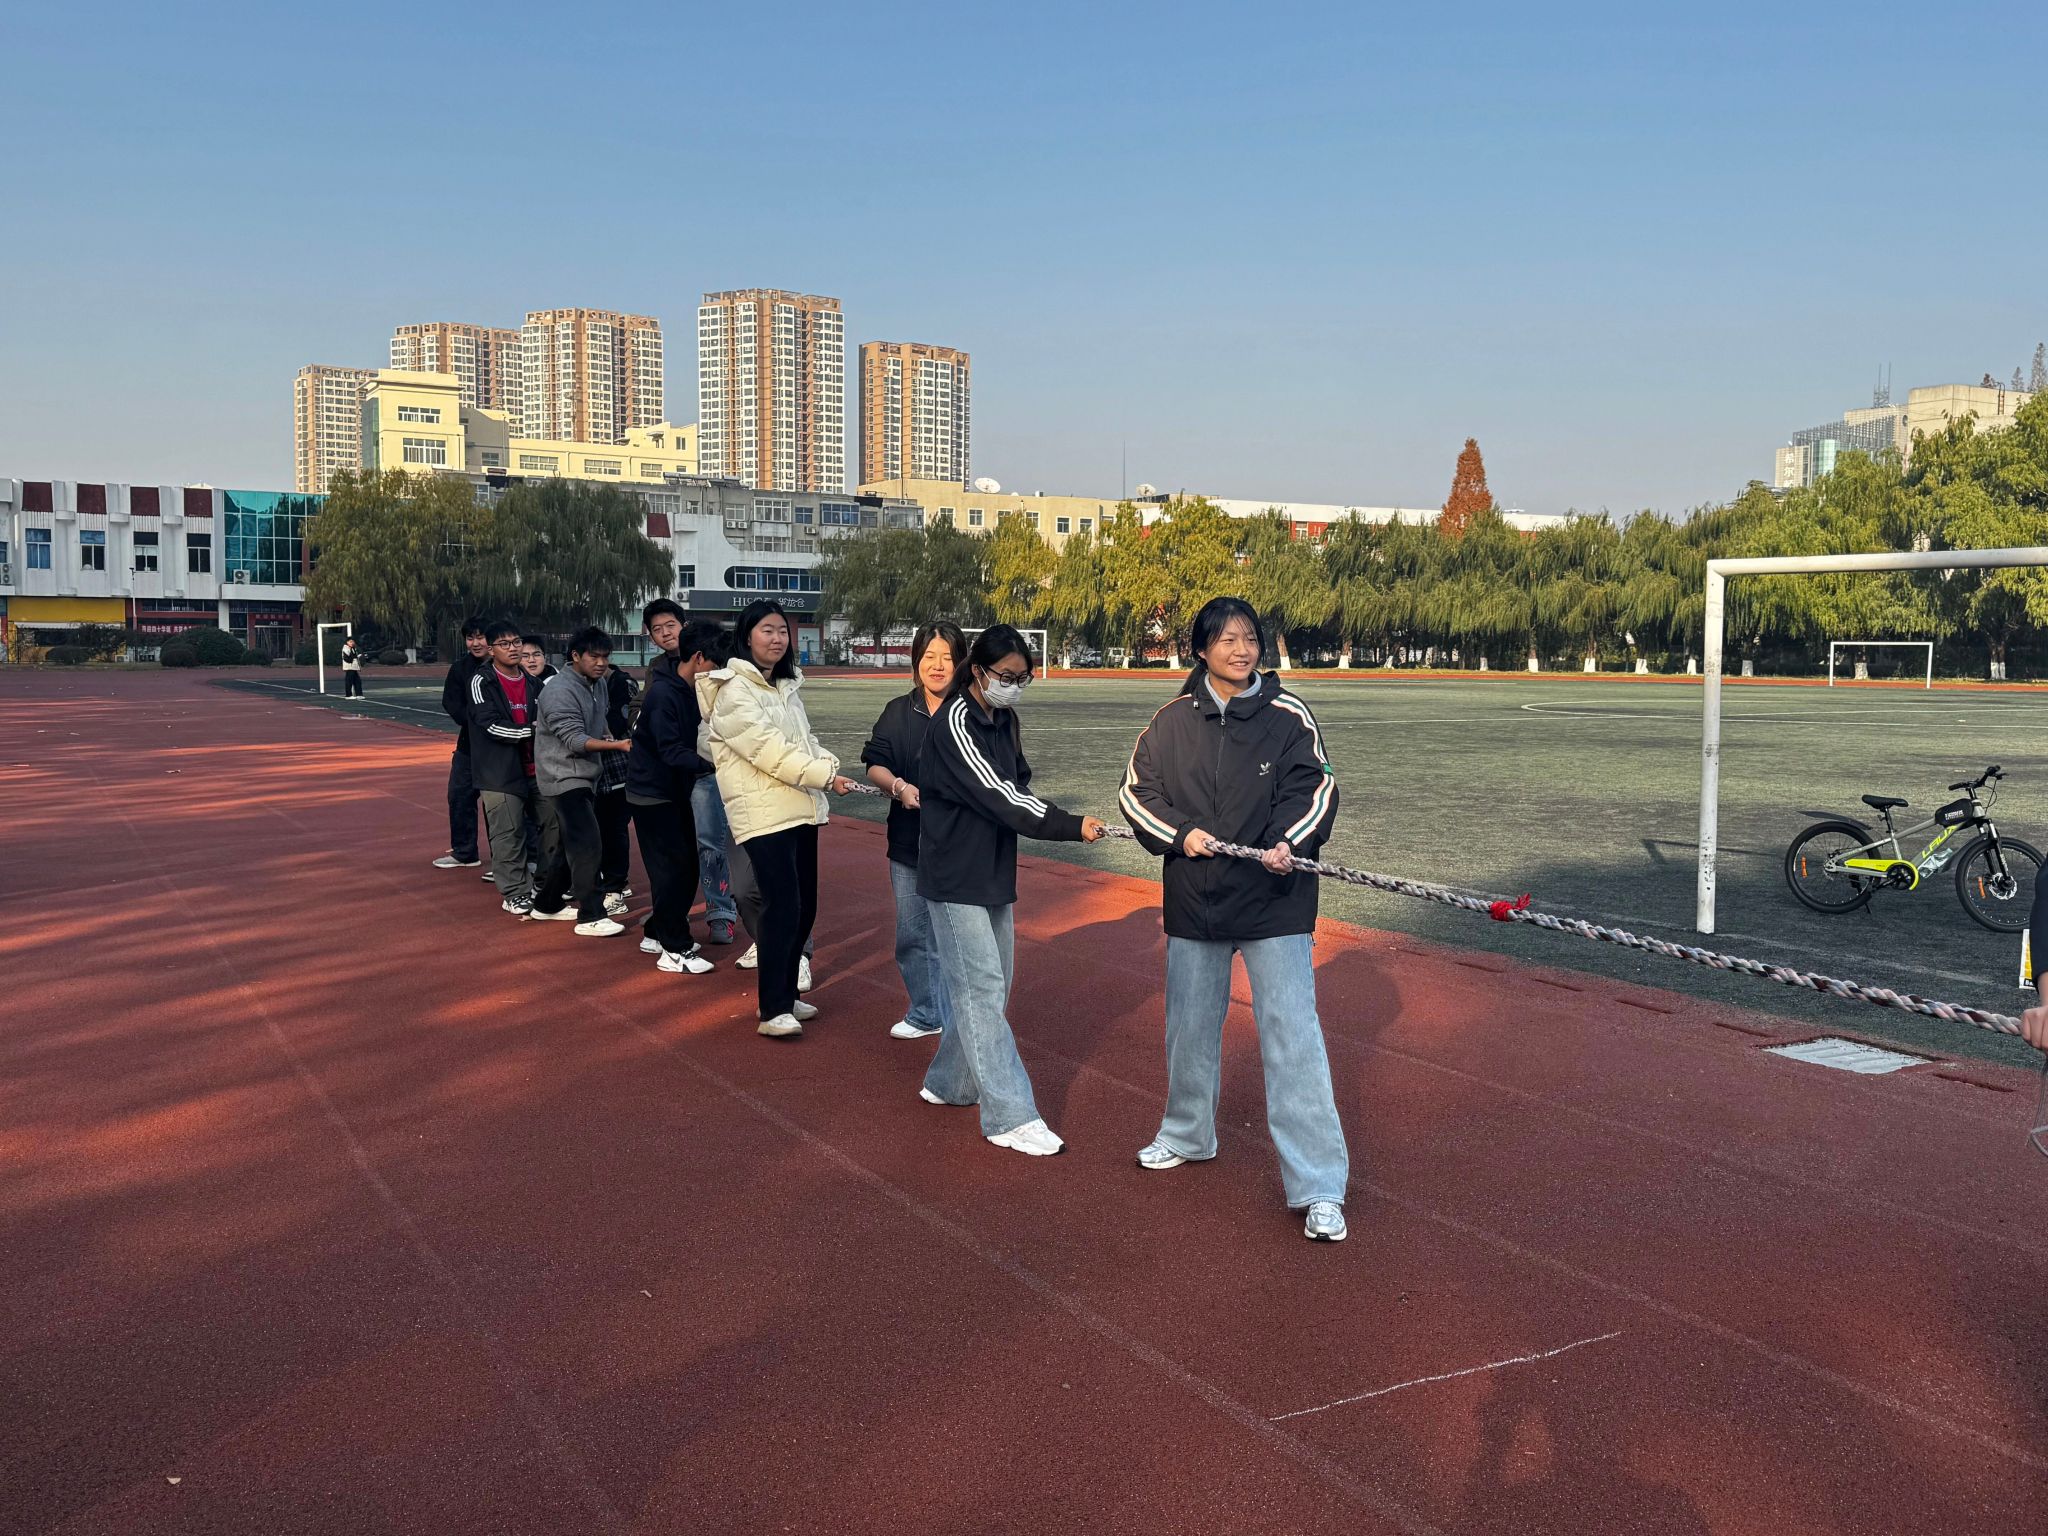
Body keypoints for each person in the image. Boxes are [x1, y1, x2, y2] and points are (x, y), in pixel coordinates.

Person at [1119, 596, 1349, 1241]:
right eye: (1226, 639)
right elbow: (1136, 792)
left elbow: (1317, 788)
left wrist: (1288, 843)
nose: (1241, 649)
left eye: (1249, 638)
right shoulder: (1170, 721)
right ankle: (1187, 1134)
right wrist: (1180, 834)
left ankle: (1319, 1185)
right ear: (1201, 650)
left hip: (1275, 901)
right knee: (1189, 1029)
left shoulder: (1288, 714)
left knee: (1292, 1037)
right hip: (1197, 899)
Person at [915, 624, 1105, 1154]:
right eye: (1006, 677)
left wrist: (1052, 817)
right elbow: (1001, 794)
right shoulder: (955, 721)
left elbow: (1017, 782)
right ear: (977, 671)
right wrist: (1070, 825)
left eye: (1023, 679)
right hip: (954, 876)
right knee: (980, 989)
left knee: (992, 986)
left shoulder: (1005, 720)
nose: (1014, 687)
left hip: (993, 869)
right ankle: (1009, 1115)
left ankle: (950, 1083)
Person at [702, 599, 855, 1039]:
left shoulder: (785, 686)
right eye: (767, 630)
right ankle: (772, 1009)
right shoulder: (733, 690)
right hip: (763, 811)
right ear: (746, 636)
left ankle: (785, 995)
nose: (777, 639)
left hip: (798, 806)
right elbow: (768, 750)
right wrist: (825, 775)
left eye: (783, 631)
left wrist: (827, 764)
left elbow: (803, 742)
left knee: (804, 906)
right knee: (782, 905)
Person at [861, 621, 967, 1041]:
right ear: (916, 661)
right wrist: (899, 787)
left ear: (962, 664)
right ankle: (927, 1013)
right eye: (929, 657)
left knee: (959, 937)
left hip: (963, 847)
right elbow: (875, 763)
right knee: (912, 934)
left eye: (947, 658)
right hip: (908, 843)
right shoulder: (898, 711)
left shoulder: (975, 713)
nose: (938, 666)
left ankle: (964, 1014)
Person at [625, 617, 724, 976]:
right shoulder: (664, 693)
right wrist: (715, 764)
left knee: (685, 867)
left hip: (674, 790)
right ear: (698, 658)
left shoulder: (688, 690)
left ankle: (657, 931)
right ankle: (674, 948)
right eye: (714, 664)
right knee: (672, 870)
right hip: (651, 795)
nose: (717, 672)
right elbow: (670, 750)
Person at [643, 600, 740, 946]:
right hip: (681, 771)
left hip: (708, 765)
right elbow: (649, 714)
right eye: (657, 629)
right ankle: (672, 916)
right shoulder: (660, 673)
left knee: (716, 843)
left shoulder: (716, 659)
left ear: (683, 626)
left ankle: (720, 911)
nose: (665, 633)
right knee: (686, 849)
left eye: (670, 625)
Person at [531, 627, 632, 937]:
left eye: (605, 657)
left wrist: (608, 736)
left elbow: (599, 719)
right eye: (594, 657)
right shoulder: (558, 690)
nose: (601, 663)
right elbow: (574, 740)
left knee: (571, 844)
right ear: (575, 656)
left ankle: (546, 904)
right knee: (587, 842)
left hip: (587, 775)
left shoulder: (597, 683)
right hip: (562, 776)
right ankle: (591, 914)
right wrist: (618, 746)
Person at [464, 620, 540, 914]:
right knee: (508, 834)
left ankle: (545, 884)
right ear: (491, 650)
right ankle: (515, 893)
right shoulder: (481, 682)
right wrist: (532, 731)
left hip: (536, 769)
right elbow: (489, 724)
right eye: (505, 644)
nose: (513, 648)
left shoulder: (532, 682)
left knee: (553, 827)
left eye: (517, 642)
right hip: (499, 772)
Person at [432, 618, 492, 870]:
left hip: (500, 748)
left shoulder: (505, 666)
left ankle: (505, 858)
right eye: (470, 638)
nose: (476, 643)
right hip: (468, 745)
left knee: (498, 804)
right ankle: (465, 852)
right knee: (459, 796)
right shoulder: (460, 669)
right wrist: (477, 722)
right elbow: (451, 702)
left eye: (481, 637)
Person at [596, 658, 638, 909]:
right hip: (592, 768)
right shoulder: (577, 685)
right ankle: (606, 881)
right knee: (598, 828)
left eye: (601, 656)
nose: (597, 663)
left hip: (618, 767)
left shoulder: (623, 683)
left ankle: (616, 886)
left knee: (614, 828)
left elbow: (621, 724)